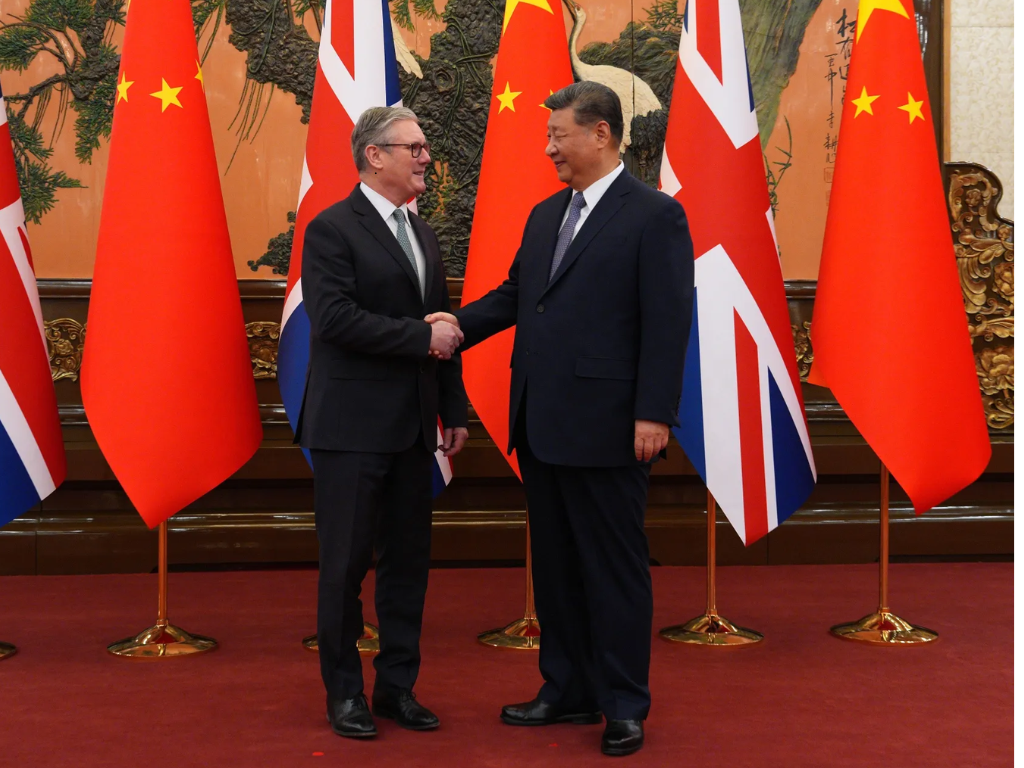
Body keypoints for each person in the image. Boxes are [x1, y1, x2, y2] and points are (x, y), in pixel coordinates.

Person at [427, 81, 694, 757]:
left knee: (613, 570)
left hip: (612, 427)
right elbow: (520, 295)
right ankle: (565, 688)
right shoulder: (547, 214)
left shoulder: (653, 215)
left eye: (558, 136)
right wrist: (456, 324)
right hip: (542, 421)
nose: (548, 148)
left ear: (600, 134)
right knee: (556, 569)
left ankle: (624, 703)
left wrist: (653, 413)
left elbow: (668, 322)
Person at [296, 106, 469, 740]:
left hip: (415, 428)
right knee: (344, 567)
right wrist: (419, 337)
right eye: (415, 147)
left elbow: (442, 325)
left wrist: (453, 409)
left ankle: (397, 687)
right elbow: (335, 320)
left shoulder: (422, 234)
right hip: (349, 428)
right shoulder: (332, 228)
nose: (426, 157)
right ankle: (344, 694)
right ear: (375, 155)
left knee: (408, 566)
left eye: (425, 146)